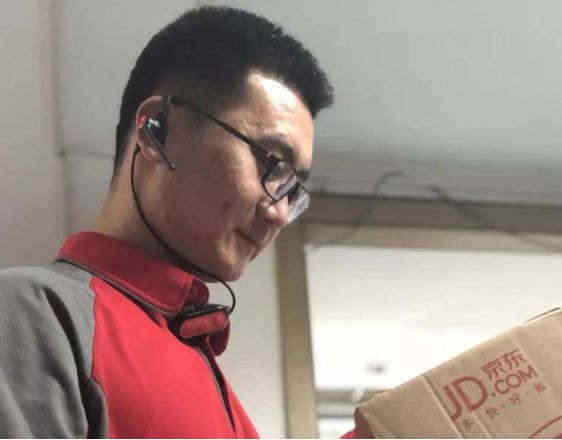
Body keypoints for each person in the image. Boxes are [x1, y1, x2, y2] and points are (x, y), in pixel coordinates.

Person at [0, 6, 334, 438]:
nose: (280, 213)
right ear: (158, 129)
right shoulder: (34, 312)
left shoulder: (199, 358)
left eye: (292, 189)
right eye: (272, 164)